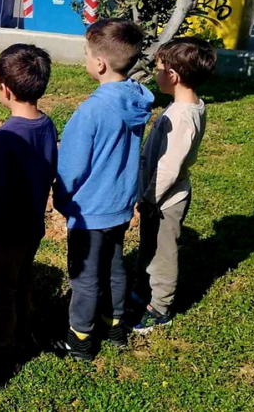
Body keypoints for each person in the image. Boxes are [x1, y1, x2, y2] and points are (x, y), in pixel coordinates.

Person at [52, 19, 154, 361]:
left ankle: (79, 340)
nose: (85, 58)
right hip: (121, 207)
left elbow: (72, 167)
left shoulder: (91, 112)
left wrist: (62, 199)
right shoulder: (137, 100)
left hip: (90, 212)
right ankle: (114, 327)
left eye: (85, 53)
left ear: (99, 63)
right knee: (114, 268)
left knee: (85, 278)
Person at [0, 44, 58, 372]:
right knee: (21, 280)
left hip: (2, 234)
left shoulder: (4, 138)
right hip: (31, 226)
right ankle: (22, 328)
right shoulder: (47, 125)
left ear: (4, 89)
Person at [131, 38, 216, 333]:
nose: (156, 73)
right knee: (149, 246)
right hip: (159, 195)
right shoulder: (185, 106)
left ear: (173, 76)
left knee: (163, 253)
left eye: (158, 68)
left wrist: (150, 198)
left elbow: (169, 166)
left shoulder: (182, 117)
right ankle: (142, 290)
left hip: (166, 198)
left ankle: (159, 307)